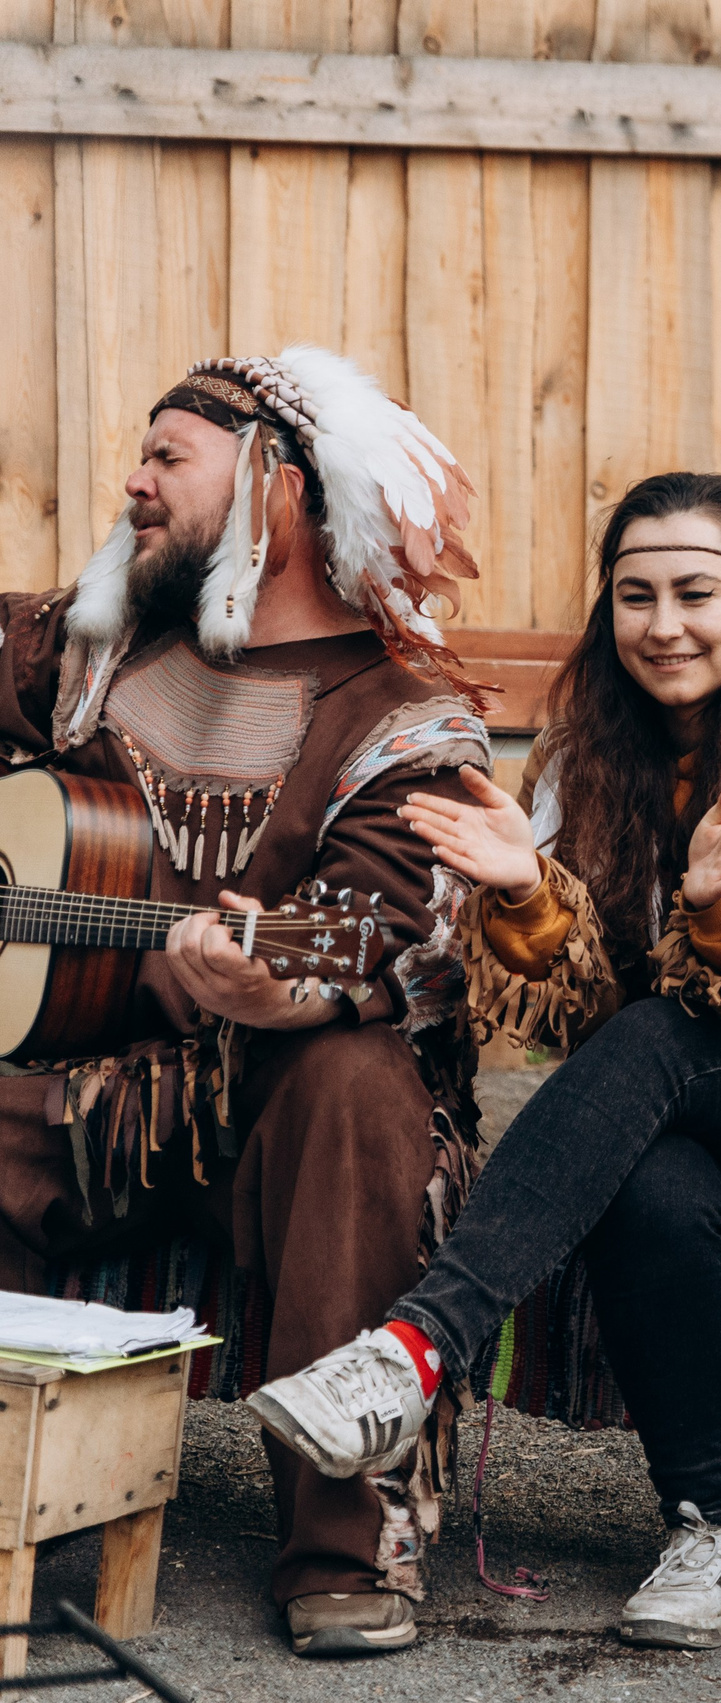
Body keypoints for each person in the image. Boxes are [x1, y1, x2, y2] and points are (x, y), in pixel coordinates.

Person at [243, 472, 721, 1653]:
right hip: (669, 1109)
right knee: (649, 1173)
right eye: (635, 595)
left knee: (659, 1039)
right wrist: (527, 898)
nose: (663, 623)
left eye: (695, 590)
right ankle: (708, 1524)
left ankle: (414, 1348)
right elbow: (570, 1003)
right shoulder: (585, 761)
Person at [0, 348, 494, 1656]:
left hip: (263, 1114)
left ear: (275, 492)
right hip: (58, 1100)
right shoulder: (91, 647)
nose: (133, 481)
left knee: (358, 1083)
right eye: (141, 455)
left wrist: (284, 987)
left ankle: (339, 1544)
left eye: (169, 458)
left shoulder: (404, 721)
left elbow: (402, 936)